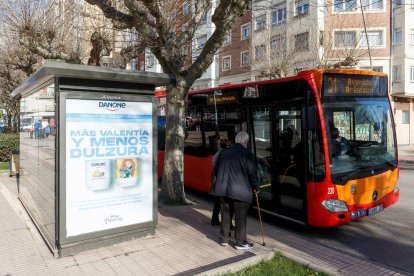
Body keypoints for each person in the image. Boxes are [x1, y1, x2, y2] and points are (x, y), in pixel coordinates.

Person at [210, 131, 258, 250]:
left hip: (223, 189)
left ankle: (224, 238)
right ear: (246, 142)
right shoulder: (247, 153)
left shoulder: (224, 152)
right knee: (240, 216)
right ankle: (240, 242)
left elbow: (215, 170)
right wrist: (256, 187)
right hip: (240, 191)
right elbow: (252, 173)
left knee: (226, 213)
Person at [211, 139, 234, 227]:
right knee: (227, 203)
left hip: (218, 180)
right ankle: (228, 223)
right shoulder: (224, 155)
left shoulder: (217, 154)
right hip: (224, 181)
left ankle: (214, 219)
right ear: (227, 147)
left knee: (217, 201)